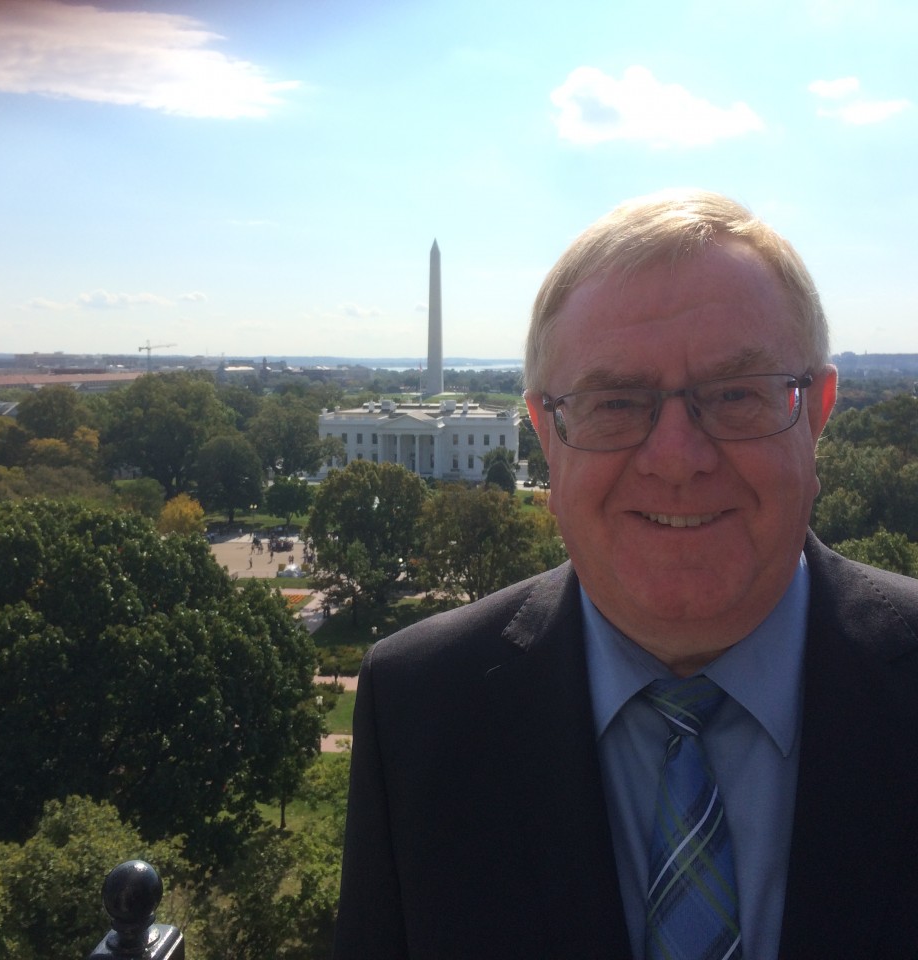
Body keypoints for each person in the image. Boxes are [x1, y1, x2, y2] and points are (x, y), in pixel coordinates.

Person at [333, 190, 918, 960]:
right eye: (616, 403)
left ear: (816, 412)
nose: (676, 459)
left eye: (735, 394)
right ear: (547, 433)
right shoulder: (419, 710)